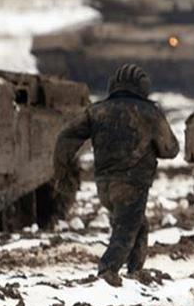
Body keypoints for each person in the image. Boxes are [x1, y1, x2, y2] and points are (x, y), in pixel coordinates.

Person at [53, 64, 179, 287]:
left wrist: (63, 171)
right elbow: (171, 149)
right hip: (133, 184)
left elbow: (66, 137)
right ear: (143, 87)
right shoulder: (150, 113)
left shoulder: (97, 110)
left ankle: (135, 273)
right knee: (125, 231)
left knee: (137, 225)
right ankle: (107, 272)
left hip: (104, 186)